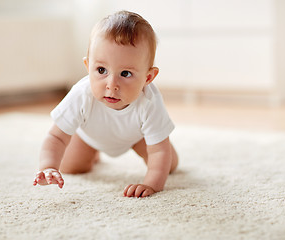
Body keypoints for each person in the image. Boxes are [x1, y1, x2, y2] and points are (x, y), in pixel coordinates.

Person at [33, 10, 178, 198]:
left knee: (169, 164)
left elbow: (158, 151)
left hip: (136, 137)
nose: (112, 85)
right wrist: (48, 167)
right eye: (101, 70)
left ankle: (156, 154)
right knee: (71, 167)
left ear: (148, 77)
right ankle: (92, 154)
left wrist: (151, 185)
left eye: (125, 73)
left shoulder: (149, 101)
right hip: (88, 136)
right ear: (88, 67)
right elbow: (56, 138)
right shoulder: (81, 94)